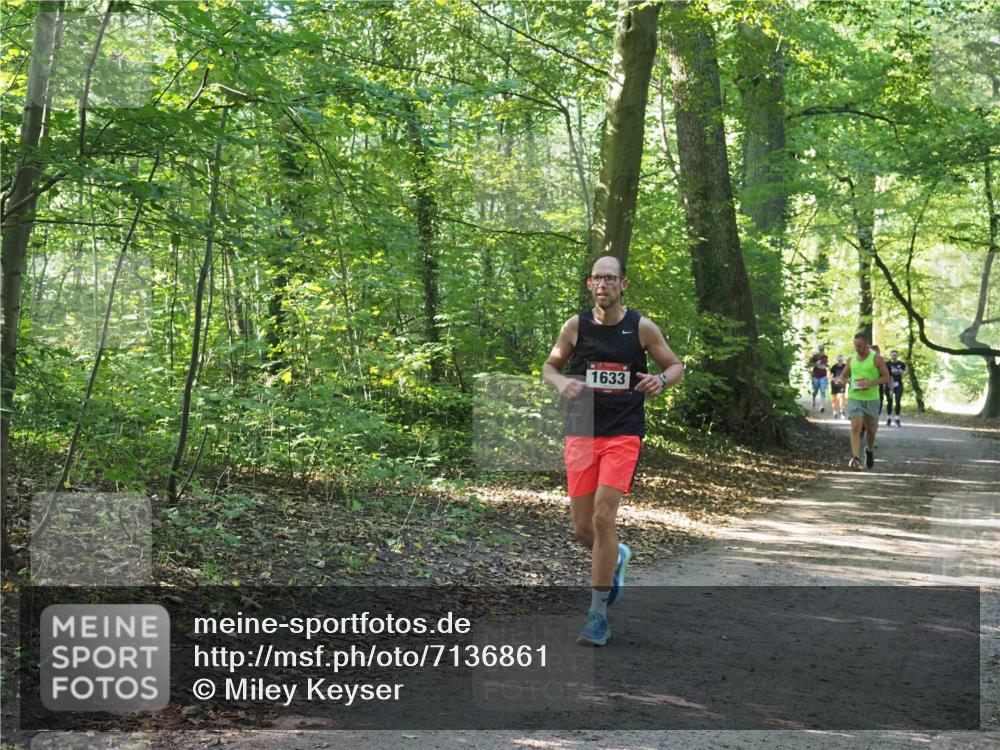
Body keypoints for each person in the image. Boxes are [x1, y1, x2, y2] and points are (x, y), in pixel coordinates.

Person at [544, 256, 684, 646]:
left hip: (623, 433)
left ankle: (597, 615)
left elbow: (675, 365)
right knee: (582, 527)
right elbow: (550, 366)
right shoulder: (575, 326)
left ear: (623, 284)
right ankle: (617, 556)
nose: (603, 284)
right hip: (581, 432)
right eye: (597, 278)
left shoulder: (640, 327)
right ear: (590, 285)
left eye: (611, 278)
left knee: (605, 517)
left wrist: (660, 379)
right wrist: (560, 384)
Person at [833, 333, 891, 471]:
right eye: (855, 345)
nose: (857, 348)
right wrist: (840, 381)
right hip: (855, 398)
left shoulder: (876, 359)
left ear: (867, 344)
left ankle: (869, 450)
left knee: (871, 430)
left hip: (871, 399)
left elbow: (886, 377)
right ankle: (855, 458)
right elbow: (843, 376)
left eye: (860, 346)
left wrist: (869, 383)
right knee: (855, 427)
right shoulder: (851, 359)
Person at [885, 350, 907, 426]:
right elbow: (883, 373)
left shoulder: (901, 364)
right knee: (889, 401)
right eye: (892, 355)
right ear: (890, 355)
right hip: (889, 383)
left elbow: (905, 373)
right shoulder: (887, 364)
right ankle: (889, 418)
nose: (894, 356)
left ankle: (897, 418)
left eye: (895, 355)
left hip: (898, 384)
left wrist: (899, 371)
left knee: (898, 401)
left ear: (897, 356)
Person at [807, 345, 829, 413]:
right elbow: (808, 365)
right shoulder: (815, 356)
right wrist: (816, 363)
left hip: (823, 376)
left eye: (822, 349)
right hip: (816, 376)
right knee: (815, 391)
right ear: (819, 350)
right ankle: (813, 400)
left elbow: (826, 365)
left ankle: (822, 406)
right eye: (820, 350)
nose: (821, 351)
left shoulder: (825, 357)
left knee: (823, 391)